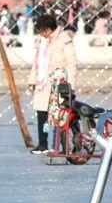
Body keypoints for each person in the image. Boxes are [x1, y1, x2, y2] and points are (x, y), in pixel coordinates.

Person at [27, 13, 77, 154]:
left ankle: (63, 145)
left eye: (42, 31)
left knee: (60, 115)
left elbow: (72, 62)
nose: (41, 34)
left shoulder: (64, 39)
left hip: (59, 84)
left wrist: (70, 85)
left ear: (48, 29)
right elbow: (36, 63)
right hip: (44, 83)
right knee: (42, 113)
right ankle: (43, 143)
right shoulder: (43, 42)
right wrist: (33, 80)